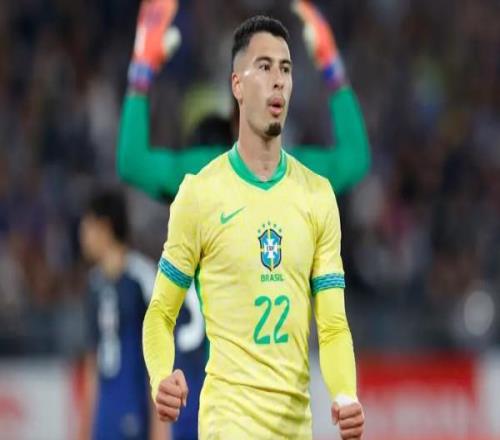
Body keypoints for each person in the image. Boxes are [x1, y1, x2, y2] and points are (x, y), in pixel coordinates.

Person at [118, 2, 370, 438]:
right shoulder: (200, 185)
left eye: (286, 69)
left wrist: (345, 393)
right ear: (236, 85)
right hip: (220, 413)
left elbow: (332, 325)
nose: (277, 79)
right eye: (264, 67)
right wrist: (161, 374)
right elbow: (159, 312)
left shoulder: (314, 191)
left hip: (294, 426)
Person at [79, 189, 168, 440]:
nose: (83, 236)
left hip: (135, 409)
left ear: (104, 227)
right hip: (105, 416)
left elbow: (160, 353)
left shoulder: (142, 278)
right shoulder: (94, 285)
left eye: (87, 226)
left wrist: (160, 425)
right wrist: (86, 425)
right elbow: (92, 361)